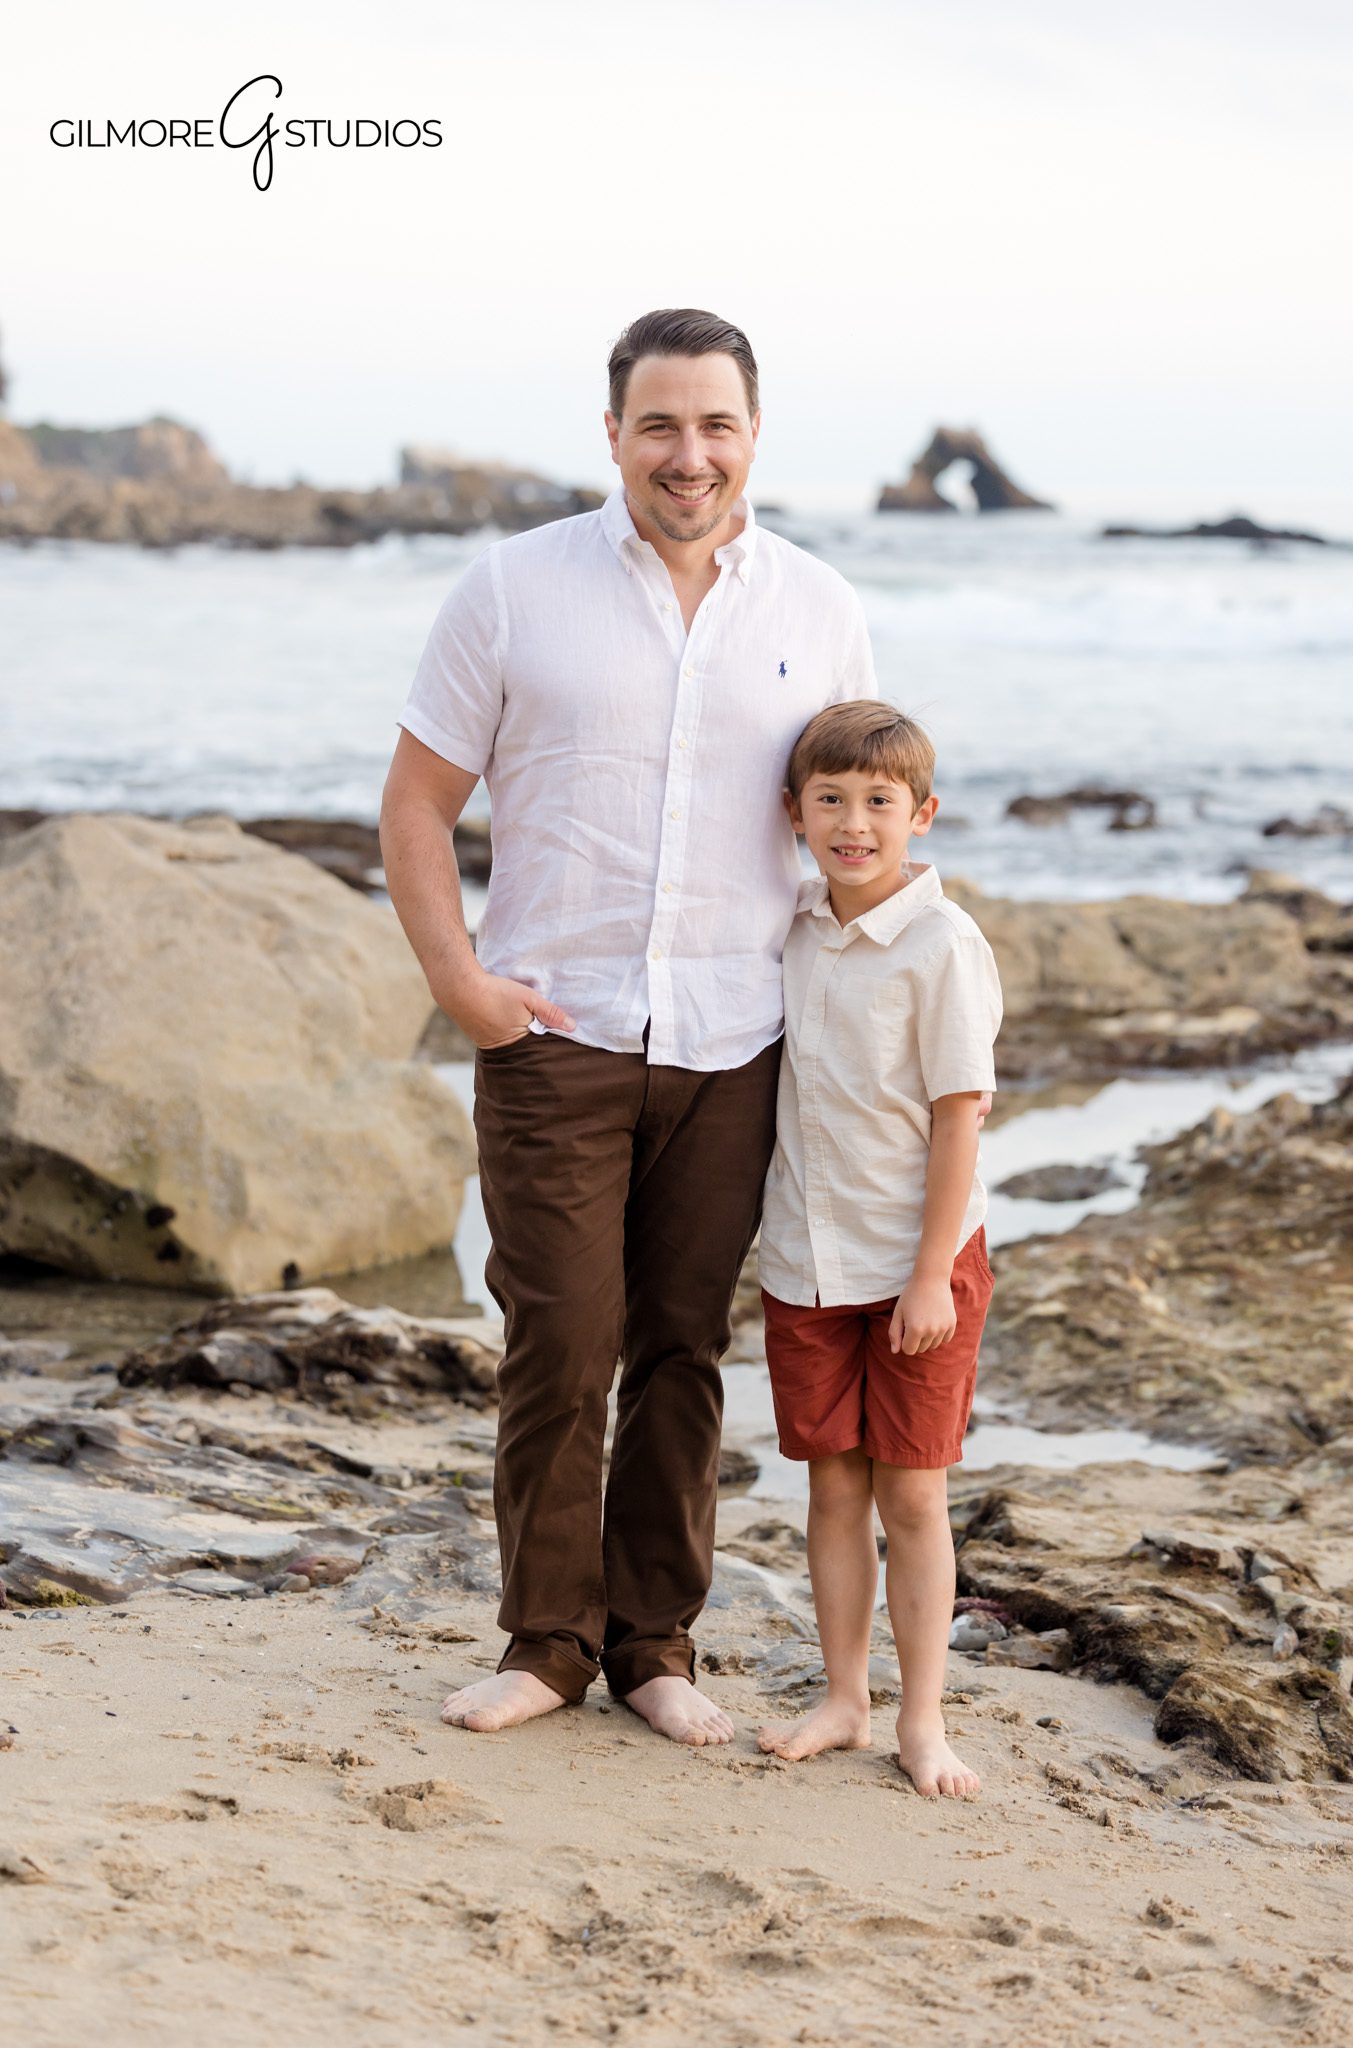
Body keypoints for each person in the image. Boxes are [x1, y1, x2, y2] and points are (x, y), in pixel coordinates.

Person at [378, 309, 877, 1745]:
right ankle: (546, 1643)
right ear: (613, 436)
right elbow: (417, 805)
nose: (688, 453)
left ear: (753, 436)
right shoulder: (513, 590)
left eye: (715, 424)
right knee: (561, 1337)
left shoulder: (818, 609)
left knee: (680, 1347)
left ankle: (655, 1641)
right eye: (659, 424)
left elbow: (854, 825)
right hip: (555, 1031)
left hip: (738, 1034)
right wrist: (459, 981)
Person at [755, 700, 1002, 1795]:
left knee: (913, 1497)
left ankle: (924, 1717)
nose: (855, 822)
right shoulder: (796, 924)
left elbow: (960, 1115)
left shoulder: (942, 944)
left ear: (923, 813)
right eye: (831, 800)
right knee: (832, 1490)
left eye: (879, 802)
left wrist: (929, 1275)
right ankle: (846, 1697)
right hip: (808, 1260)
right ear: (794, 813)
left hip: (918, 1270)